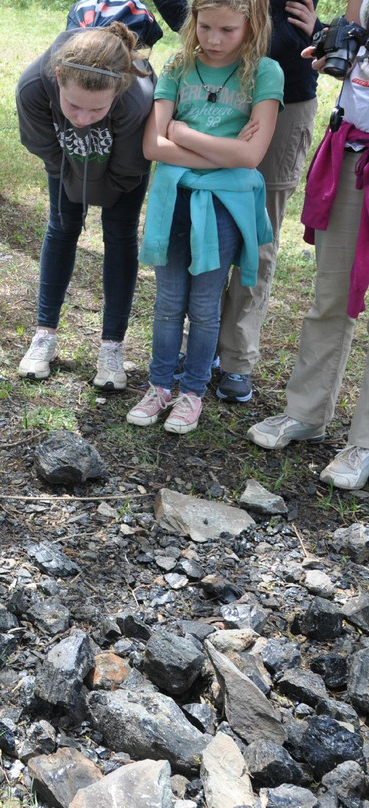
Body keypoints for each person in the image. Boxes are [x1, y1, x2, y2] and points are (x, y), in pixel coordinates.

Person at [127, 0, 282, 433]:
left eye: (227, 30)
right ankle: (159, 385)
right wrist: (223, 152)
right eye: (205, 26)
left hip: (224, 206)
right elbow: (151, 146)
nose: (213, 40)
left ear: (252, 25)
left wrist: (180, 131)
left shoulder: (265, 72)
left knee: (205, 304)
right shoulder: (179, 65)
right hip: (174, 199)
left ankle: (192, 392)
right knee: (169, 302)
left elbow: (251, 155)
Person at [154, 0, 321, 403]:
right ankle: (197, 350)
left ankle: (236, 358)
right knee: (200, 229)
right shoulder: (186, 59)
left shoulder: (270, 70)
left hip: (283, 99)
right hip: (205, 97)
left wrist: (320, 30)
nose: (214, 36)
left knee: (256, 240)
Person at [247, 0, 369, 488]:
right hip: (352, 148)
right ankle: (306, 413)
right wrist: (335, 43)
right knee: (331, 295)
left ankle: (364, 443)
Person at [15, 21, 155, 391]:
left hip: (120, 177)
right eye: (73, 105)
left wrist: (95, 192)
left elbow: (128, 169)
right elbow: (43, 145)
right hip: (64, 166)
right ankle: (44, 333)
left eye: (96, 111)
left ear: (119, 91)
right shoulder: (33, 86)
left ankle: (112, 346)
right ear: (58, 76)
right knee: (61, 228)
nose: (80, 118)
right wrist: (75, 188)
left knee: (120, 236)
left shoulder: (137, 97)